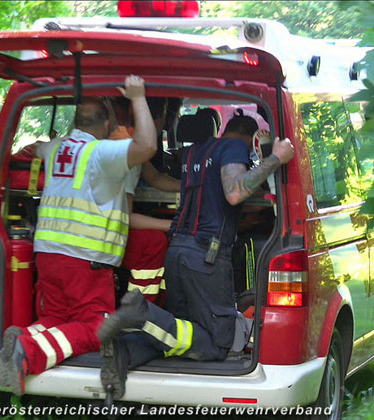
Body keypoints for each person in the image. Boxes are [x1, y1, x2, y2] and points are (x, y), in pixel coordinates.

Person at [97, 112, 295, 400]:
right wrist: (275, 158)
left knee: (181, 333)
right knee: (217, 343)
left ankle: (123, 352)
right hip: (207, 257)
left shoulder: (194, 152)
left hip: (177, 252)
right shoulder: (234, 148)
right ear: (250, 138)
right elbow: (235, 193)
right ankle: (143, 314)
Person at [0, 75, 157, 395]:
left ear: (75, 121)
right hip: (85, 260)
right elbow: (148, 146)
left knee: (57, 316)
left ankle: (27, 335)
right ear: (107, 121)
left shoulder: (56, 147)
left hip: (48, 255)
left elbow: (32, 149)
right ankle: (27, 351)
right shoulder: (102, 153)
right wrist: (138, 97)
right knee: (99, 330)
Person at [111, 97, 180, 303]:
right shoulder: (124, 149)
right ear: (155, 120)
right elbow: (125, 218)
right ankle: (142, 310)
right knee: (155, 242)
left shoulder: (129, 144)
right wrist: (172, 225)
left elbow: (154, 177)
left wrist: (190, 187)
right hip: (105, 235)